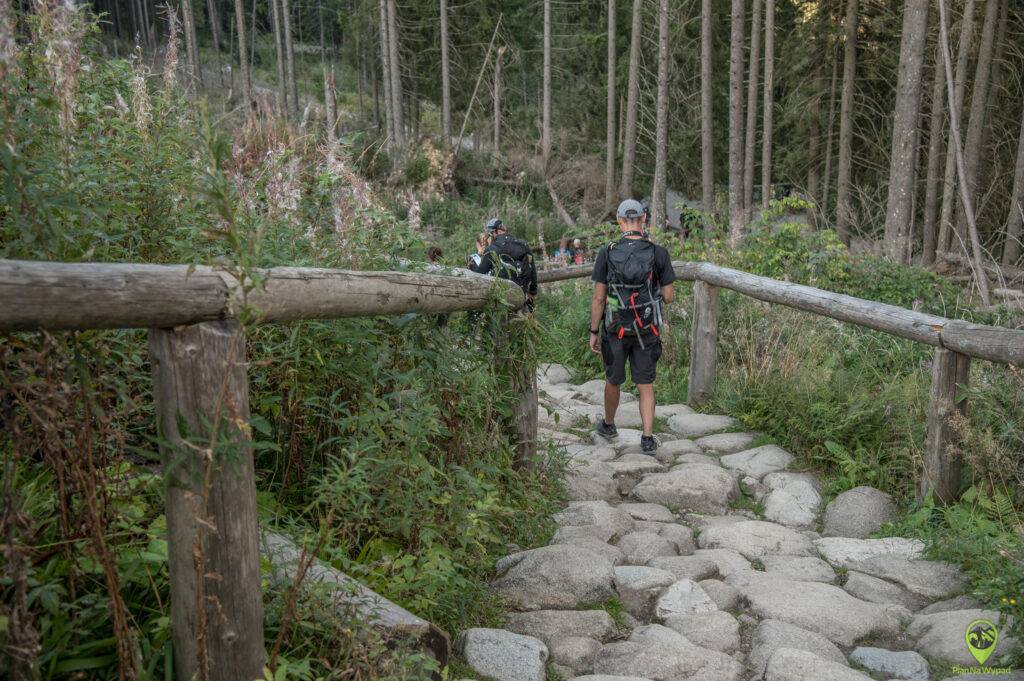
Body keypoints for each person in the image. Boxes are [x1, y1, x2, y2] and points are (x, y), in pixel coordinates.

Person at [588, 199, 676, 454]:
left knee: (613, 380)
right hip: (646, 328)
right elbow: (669, 297)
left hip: (615, 328)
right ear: (643, 219)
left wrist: (594, 331)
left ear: (619, 220)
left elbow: (599, 298)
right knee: (645, 383)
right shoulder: (658, 253)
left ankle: (608, 424)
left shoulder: (607, 251)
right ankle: (647, 438)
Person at [471, 218, 538, 310]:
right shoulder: (524, 244)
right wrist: (533, 292)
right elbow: (532, 270)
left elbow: (479, 273)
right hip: (523, 295)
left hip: (501, 299)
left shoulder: (492, 249)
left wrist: (477, 256)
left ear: (494, 232)